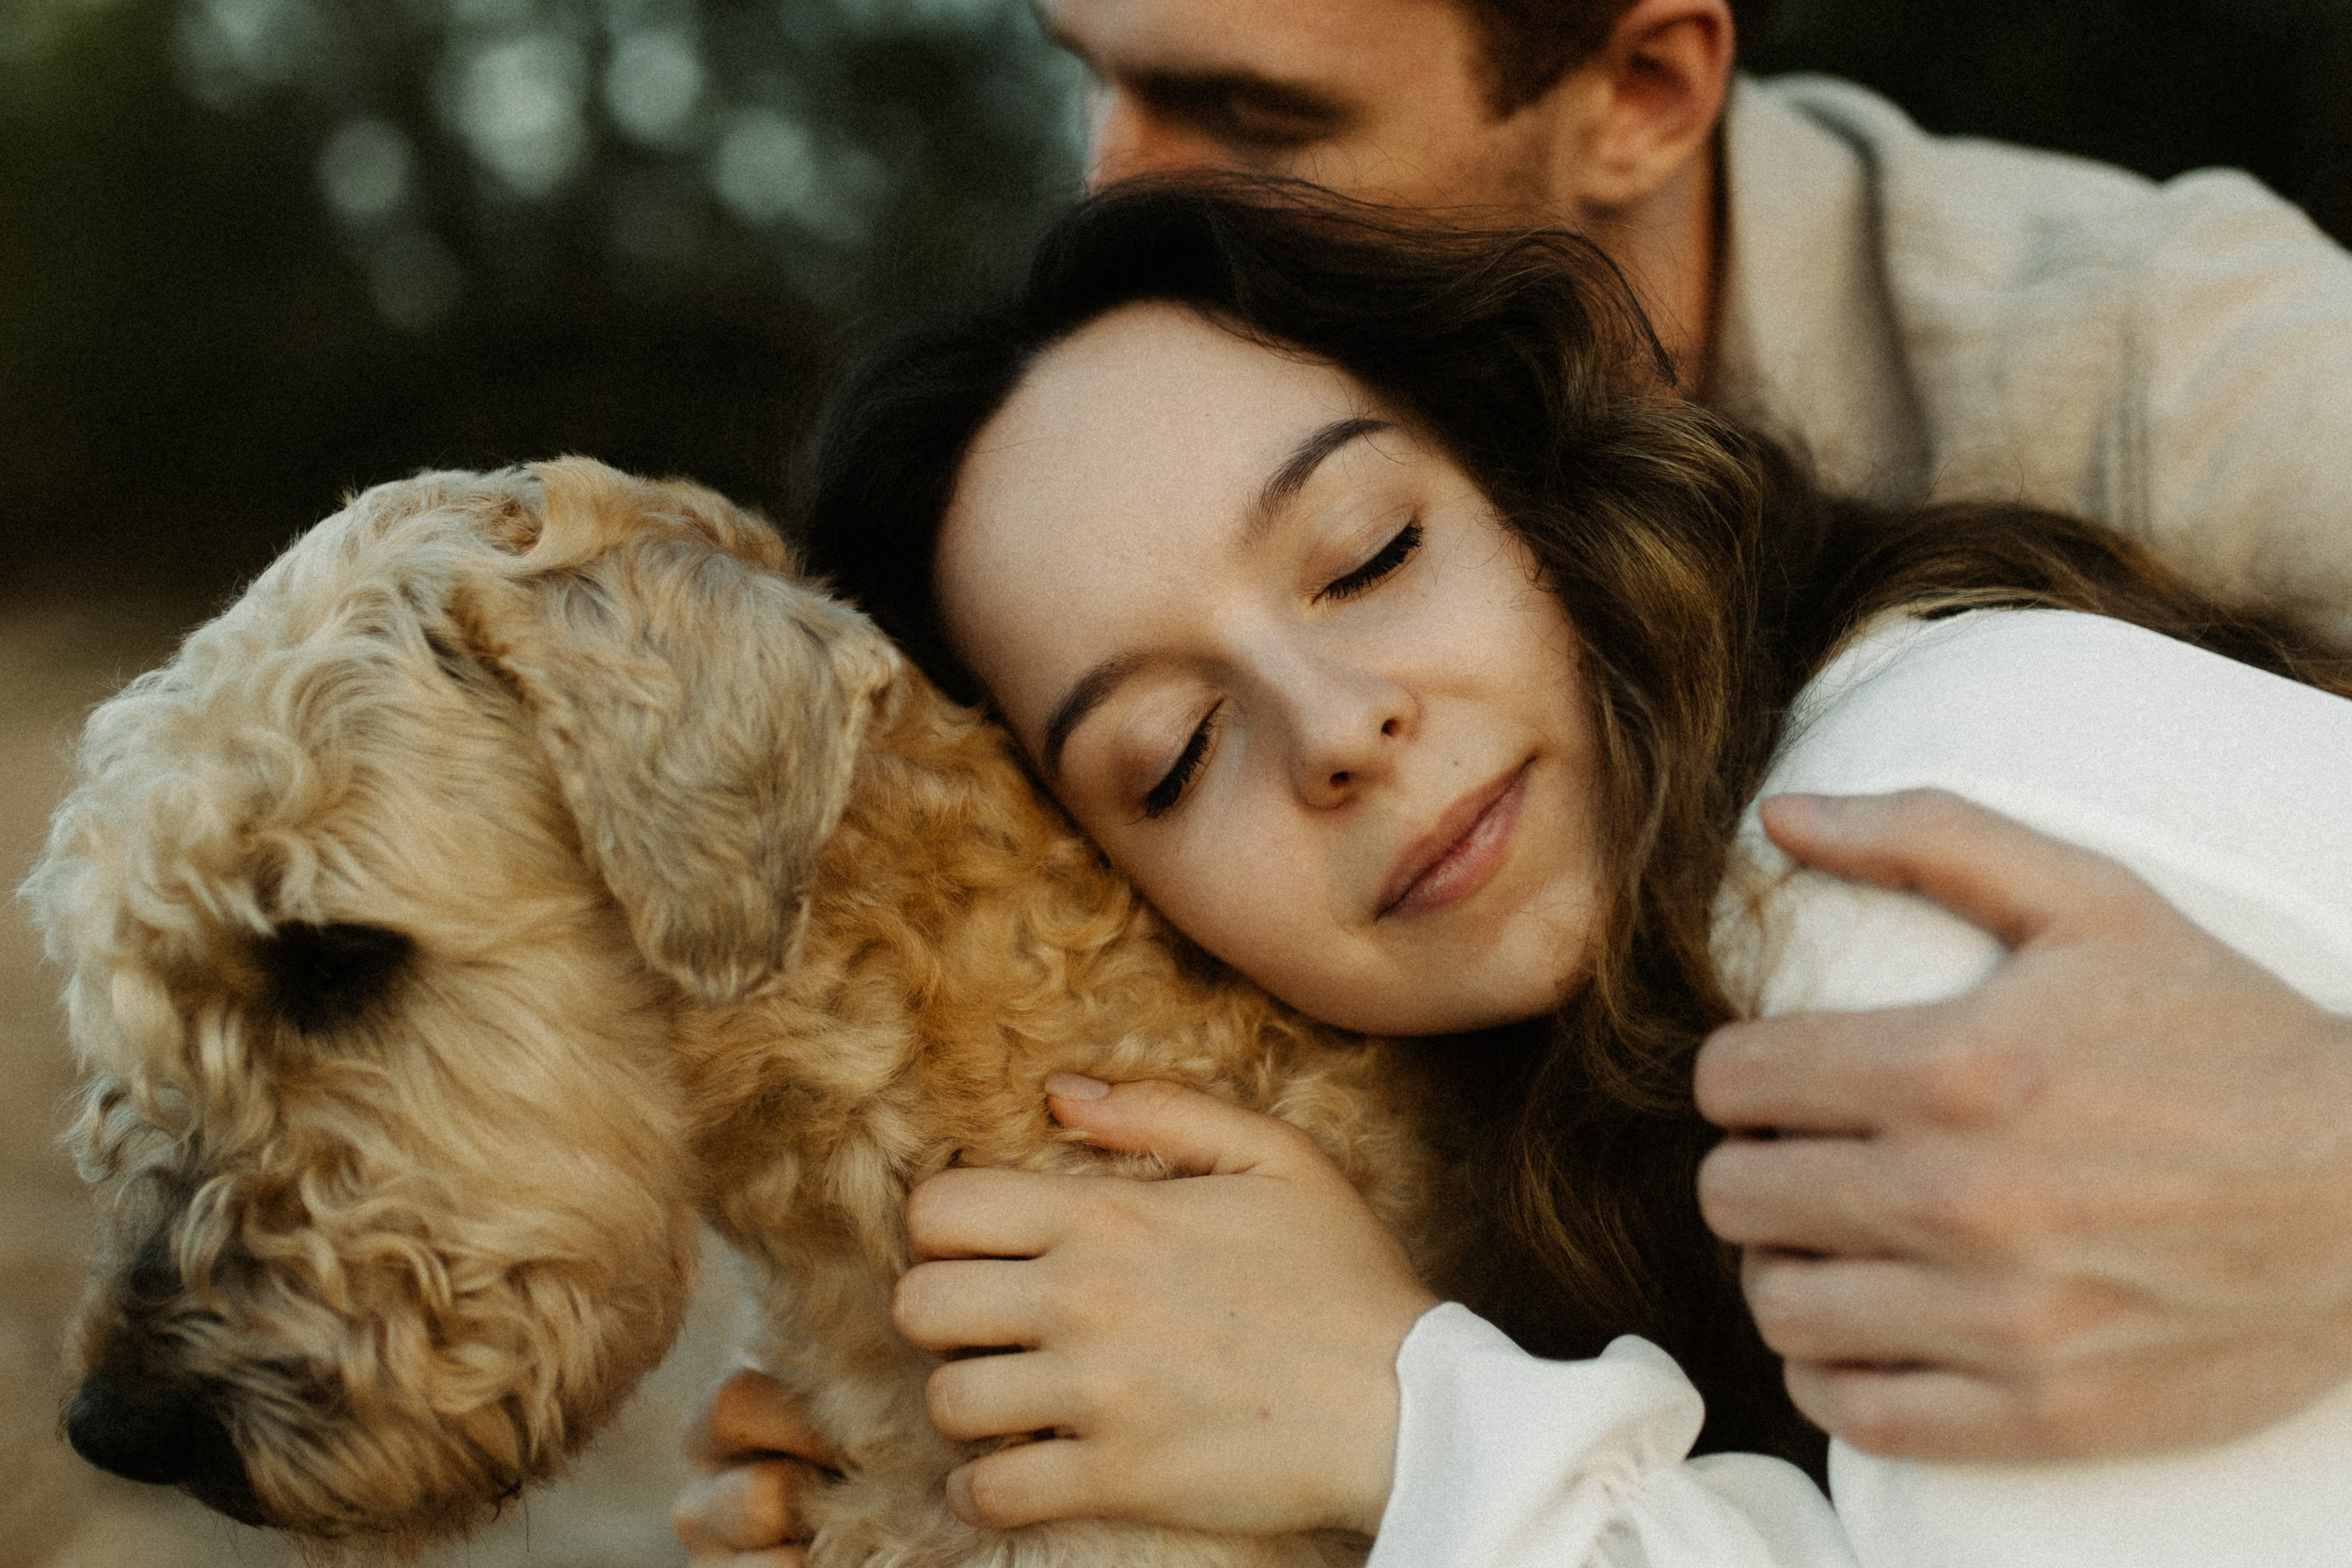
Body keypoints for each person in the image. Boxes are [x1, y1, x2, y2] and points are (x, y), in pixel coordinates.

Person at [677, 0, 2352, 1555]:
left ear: (1554, 466)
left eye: (1371, 553)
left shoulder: (1896, 856)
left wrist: (1429, 1431)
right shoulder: (1604, 1020)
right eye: (1174, 758)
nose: (1335, 730)